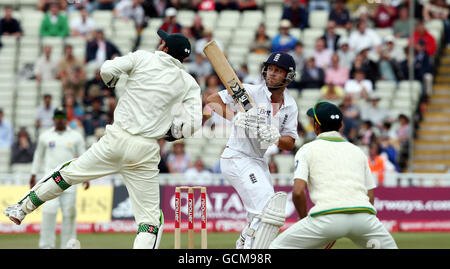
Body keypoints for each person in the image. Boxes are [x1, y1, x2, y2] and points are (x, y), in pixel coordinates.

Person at [4, 30, 203, 249]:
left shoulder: (143, 57)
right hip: (145, 150)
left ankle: (21, 209)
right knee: (150, 222)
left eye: (162, 41)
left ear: (165, 48)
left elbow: (107, 68)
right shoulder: (188, 83)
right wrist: (170, 133)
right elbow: (192, 124)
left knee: (67, 173)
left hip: (115, 140)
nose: (159, 42)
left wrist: (111, 81)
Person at [270, 101, 397, 249]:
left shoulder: (307, 149)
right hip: (364, 217)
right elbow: (370, 196)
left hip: (327, 218)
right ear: (341, 125)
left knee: (275, 247)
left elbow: (298, 192)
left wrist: (305, 220)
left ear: (316, 126)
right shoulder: (357, 151)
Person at [206, 51, 299, 249]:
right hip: (237, 156)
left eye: (278, 71)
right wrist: (235, 117)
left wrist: (275, 137)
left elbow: (290, 142)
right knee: (266, 209)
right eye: (270, 69)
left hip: (258, 160)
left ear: (288, 76)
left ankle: (243, 244)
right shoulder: (250, 91)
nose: (272, 74)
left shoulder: (290, 105)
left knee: (266, 214)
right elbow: (212, 100)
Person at [30, 107, 88, 249]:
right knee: (49, 213)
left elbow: (84, 157)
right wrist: (33, 174)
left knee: (69, 215)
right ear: (53, 119)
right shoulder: (45, 136)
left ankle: (68, 246)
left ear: (66, 118)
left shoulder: (75, 136)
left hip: (69, 182)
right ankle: (46, 246)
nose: (60, 119)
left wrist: (86, 177)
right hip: (50, 182)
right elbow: (38, 156)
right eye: (58, 117)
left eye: (63, 117)